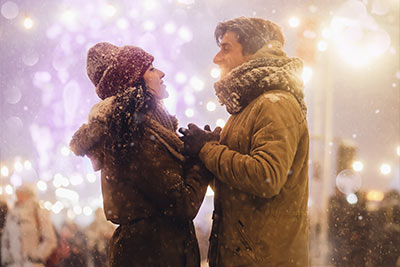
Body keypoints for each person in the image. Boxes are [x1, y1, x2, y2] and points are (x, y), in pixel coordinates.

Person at [180, 17, 309, 266]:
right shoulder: (250, 106)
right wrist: (208, 154)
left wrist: (208, 149)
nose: (217, 58)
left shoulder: (275, 104)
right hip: (246, 256)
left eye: (226, 48)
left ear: (255, 51)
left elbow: (266, 177)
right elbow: (238, 189)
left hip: (263, 258)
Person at [70, 42, 211, 267]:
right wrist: (202, 158)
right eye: (152, 69)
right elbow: (183, 204)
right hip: (154, 254)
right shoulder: (136, 136)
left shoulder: (146, 130)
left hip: (152, 251)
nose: (161, 72)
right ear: (135, 82)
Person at [1, 184, 57, 267]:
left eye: (22, 193)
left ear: (28, 195)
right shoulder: (12, 214)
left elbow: (50, 239)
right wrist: (7, 258)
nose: (19, 196)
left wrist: (36, 256)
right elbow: (5, 240)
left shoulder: (38, 212)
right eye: (18, 194)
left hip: (32, 264)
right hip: (14, 264)